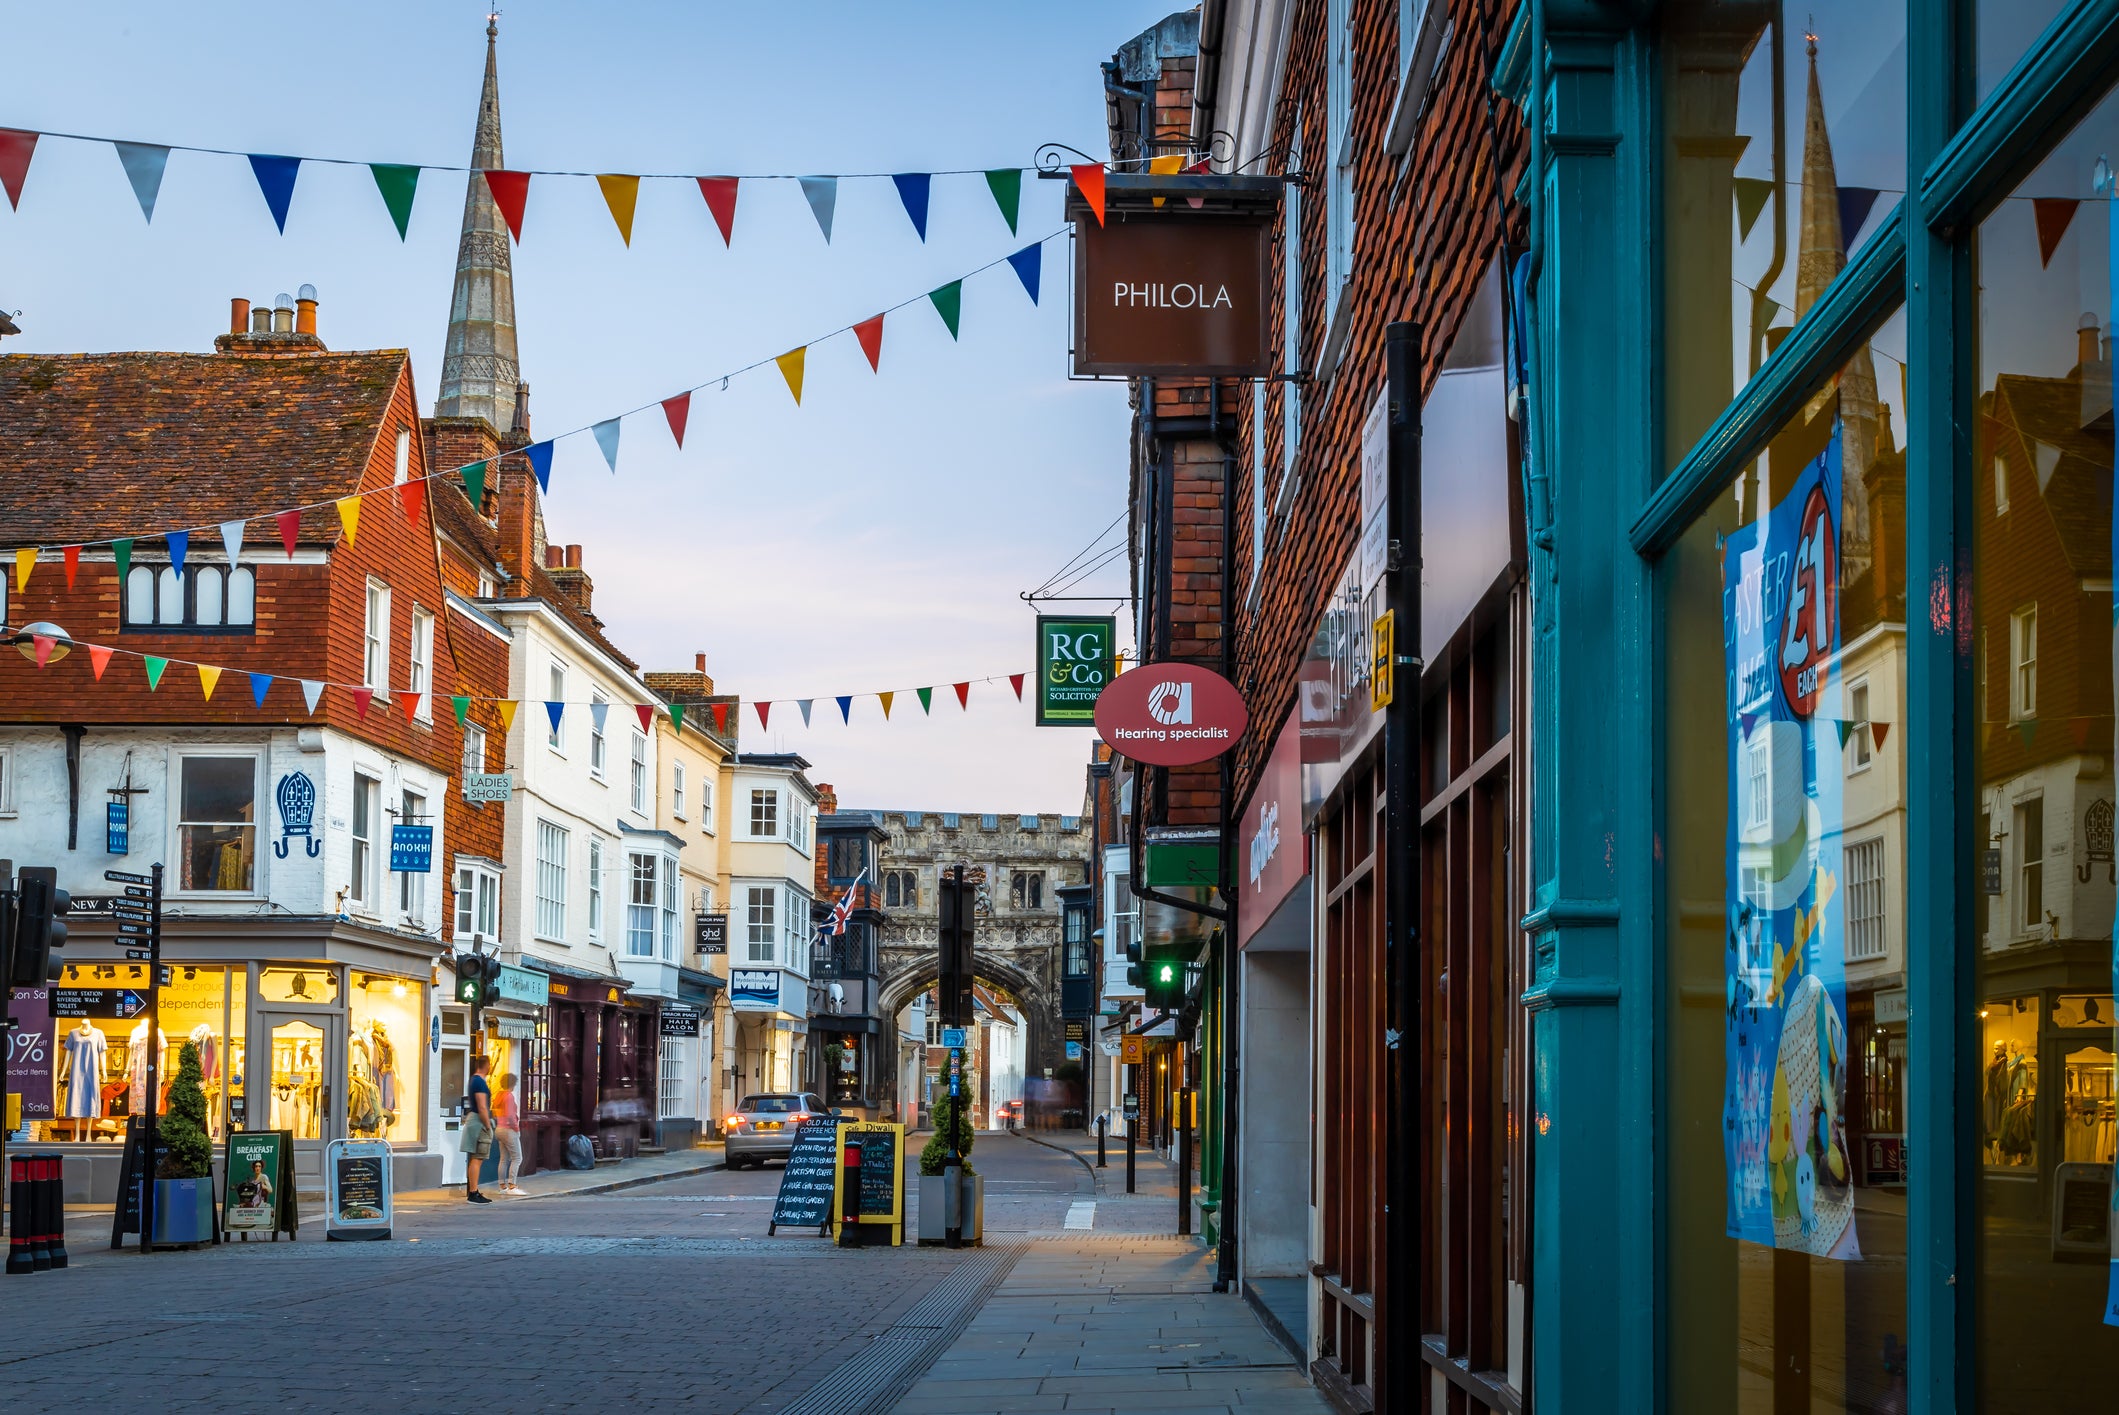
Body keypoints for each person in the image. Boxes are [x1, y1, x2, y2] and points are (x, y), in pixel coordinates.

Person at [461, 1055, 495, 1204]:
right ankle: (473, 1192)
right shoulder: (479, 1082)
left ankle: (473, 1191)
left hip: (474, 1120)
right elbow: (482, 1106)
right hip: (479, 1122)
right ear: (486, 1065)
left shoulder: (473, 1080)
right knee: (477, 1158)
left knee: (475, 1158)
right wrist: (488, 1125)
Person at [494, 1070, 524, 1194]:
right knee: (517, 1158)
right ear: (513, 1084)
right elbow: (511, 1116)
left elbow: (496, 1112)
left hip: (499, 1128)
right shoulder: (509, 1096)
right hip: (509, 1130)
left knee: (503, 1159)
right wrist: (516, 1129)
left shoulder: (498, 1096)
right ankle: (512, 1185)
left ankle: (502, 1186)